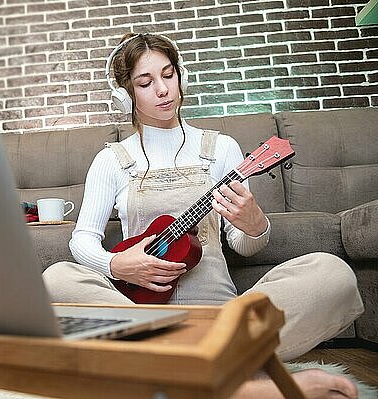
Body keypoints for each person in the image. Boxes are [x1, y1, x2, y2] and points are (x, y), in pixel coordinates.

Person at [42, 33, 364, 399]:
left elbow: (242, 245)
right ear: (125, 95)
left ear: (182, 76)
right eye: (145, 83)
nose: (163, 90)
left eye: (168, 75)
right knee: (57, 278)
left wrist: (254, 224)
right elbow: (82, 239)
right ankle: (236, 383)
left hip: (224, 320)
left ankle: (171, 374)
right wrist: (116, 265)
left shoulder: (220, 148)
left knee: (331, 272)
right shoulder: (111, 160)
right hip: (141, 318)